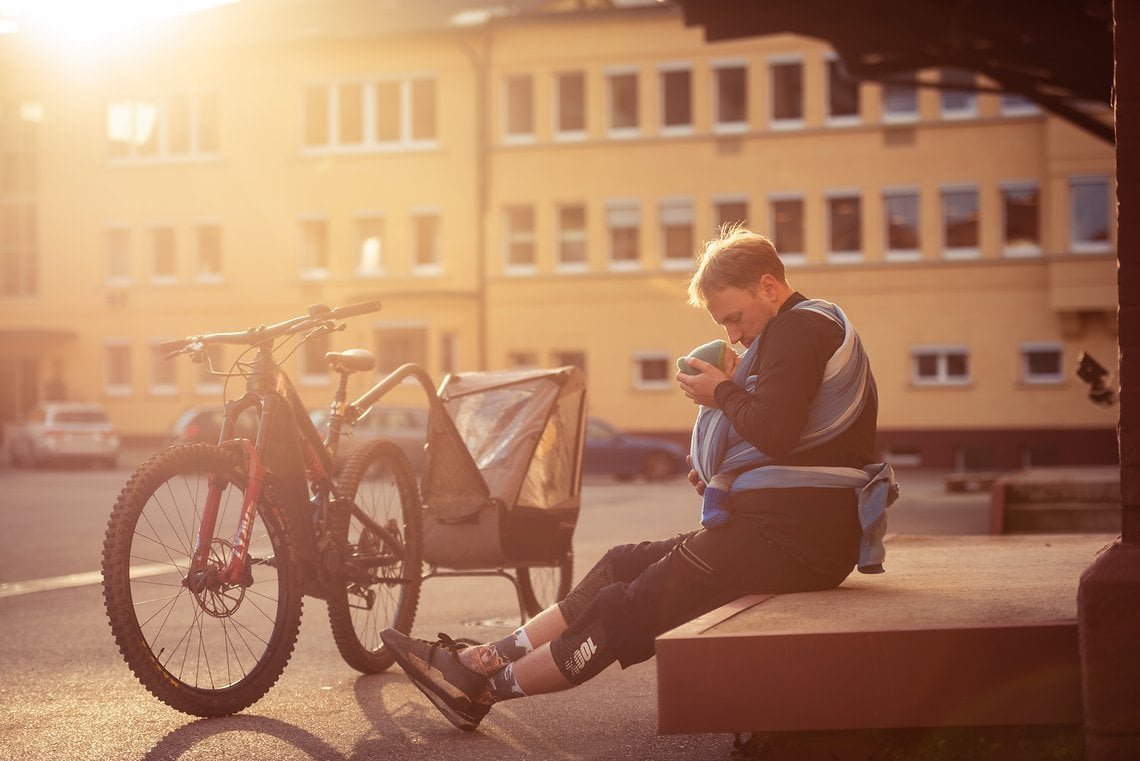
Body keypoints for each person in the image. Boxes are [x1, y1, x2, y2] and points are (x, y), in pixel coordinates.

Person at [380, 225, 892, 732]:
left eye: (734, 318)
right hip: (784, 531)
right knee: (621, 563)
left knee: (628, 605)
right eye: (723, 325)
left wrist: (721, 394)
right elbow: (793, 442)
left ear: (769, 287)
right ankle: (485, 660)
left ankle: (483, 690)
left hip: (794, 541)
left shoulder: (799, 329)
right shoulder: (799, 330)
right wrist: (732, 471)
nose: (733, 335)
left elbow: (776, 432)